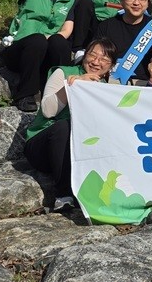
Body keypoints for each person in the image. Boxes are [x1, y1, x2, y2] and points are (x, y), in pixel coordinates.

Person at [24, 37, 118, 211]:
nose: (96, 62)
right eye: (92, 55)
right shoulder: (64, 73)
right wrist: (72, 86)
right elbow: (47, 110)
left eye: (104, 59)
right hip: (43, 147)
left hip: (79, 152)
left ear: (111, 66)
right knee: (64, 126)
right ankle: (63, 195)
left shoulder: (110, 88)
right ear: (84, 55)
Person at [95, 0, 152, 84]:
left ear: (148, 3)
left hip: (145, 83)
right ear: (121, 0)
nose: (136, 3)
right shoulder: (106, 26)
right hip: (111, 82)